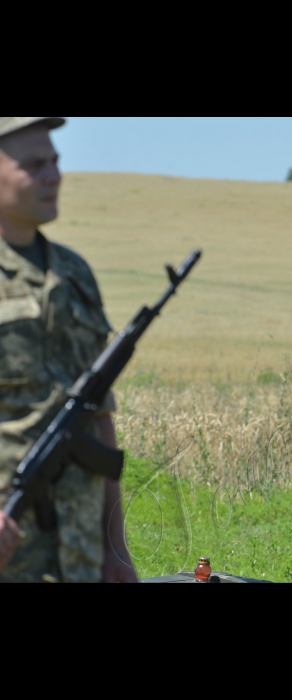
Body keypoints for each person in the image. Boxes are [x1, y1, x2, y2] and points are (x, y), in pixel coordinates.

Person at [0, 116, 137, 582]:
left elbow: (97, 422)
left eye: (55, 162)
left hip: (78, 557)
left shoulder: (75, 274)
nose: (54, 175)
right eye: (34, 164)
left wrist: (115, 552)